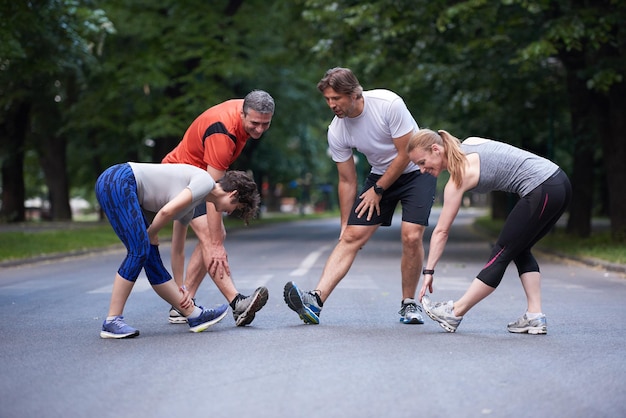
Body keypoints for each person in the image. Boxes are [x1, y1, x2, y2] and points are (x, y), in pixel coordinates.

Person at [283, 67, 437, 324]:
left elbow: (405, 154)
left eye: (337, 98)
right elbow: (346, 179)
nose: (332, 105)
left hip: (415, 171)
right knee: (351, 237)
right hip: (380, 175)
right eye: (328, 99)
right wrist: (345, 223)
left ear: (354, 94)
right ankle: (315, 301)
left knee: (411, 236)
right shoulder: (337, 130)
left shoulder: (388, 104)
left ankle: (409, 304)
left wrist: (378, 190)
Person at [406, 129, 572, 334]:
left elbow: (441, 231)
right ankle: (534, 316)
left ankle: (455, 312)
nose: (422, 170)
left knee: (501, 251)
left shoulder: (459, 176)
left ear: (436, 149)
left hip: (541, 187)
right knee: (519, 248)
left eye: (422, 162)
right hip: (559, 182)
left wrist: (429, 271)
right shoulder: (470, 143)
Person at [95, 163, 260, 338]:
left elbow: (178, 248)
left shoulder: (195, 201)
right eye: (237, 207)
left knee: (151, 258)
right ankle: (112, 321)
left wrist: (181, 286)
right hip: (117, 180)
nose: (230, 212)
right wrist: (151, 234)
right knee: (141, 249)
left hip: (120, 184)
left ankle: (193, 314)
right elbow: (166, 212)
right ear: (233, 194)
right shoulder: (205, 182)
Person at [162, 90, 274, 326]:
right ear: (243, 114)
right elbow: (213, 193)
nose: (259, 130)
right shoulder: (223, 133)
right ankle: (236, 303)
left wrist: (215, 240)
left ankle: (182, 304)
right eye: (254, 123)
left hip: (195, 178)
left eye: (266, 124)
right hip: (179, 179)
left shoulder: (243, 113)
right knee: (211, 237)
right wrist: (215, 245)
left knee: (215, 236)